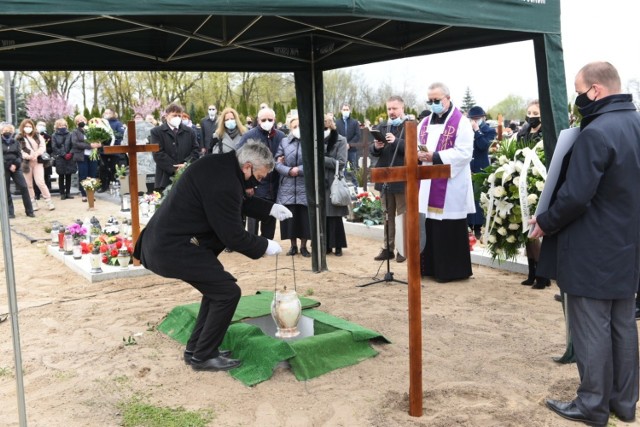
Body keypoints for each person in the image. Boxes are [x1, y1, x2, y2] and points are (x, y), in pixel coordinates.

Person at [531, 61, 640, 427]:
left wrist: (544, 221)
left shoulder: (596, 132)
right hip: (628, 245)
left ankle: (592, 404)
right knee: (622, 325)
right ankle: (624, 404)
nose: (578, 99)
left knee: (592, 327)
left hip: (592, 248)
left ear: (595, 90)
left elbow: (576, 197)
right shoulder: (635, 124)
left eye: (579, 91)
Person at [133, 141, 292, 371]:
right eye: (259, 177)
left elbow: (239, 201)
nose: (259, 183)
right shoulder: (224, 180)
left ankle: (196, 349)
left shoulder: (222, 167)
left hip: (171, 242)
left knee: (216, 289)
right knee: (227, 292)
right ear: (247, 167)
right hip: (173, 247)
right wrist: (264, 245)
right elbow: (232, 236)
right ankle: (204, 356)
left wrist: (269, 209)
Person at [417, 82, 474, 283]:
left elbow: (465, 152)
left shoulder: (461, 122)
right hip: (426, 184)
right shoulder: (423, 123)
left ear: (447, 98)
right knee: (430, 225)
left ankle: (451, 270)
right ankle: (430, 268)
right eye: (430, 100)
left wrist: (435, 156)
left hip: (450, 184)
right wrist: (419, 155)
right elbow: (415, 145)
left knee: (447, 227)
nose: (433, 104)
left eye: (437, 100)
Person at [516, 99, 550, 289]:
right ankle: (532, 272)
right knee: (528, 231)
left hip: (540, 182)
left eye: (536, 114)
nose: (532, 117)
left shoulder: (547, 134)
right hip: (523, 184)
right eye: (529, 113)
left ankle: (543, 275)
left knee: (540, 230)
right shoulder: (523, 133)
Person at [237, 107, 285, 239]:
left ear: (274, 120)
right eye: (264, 119)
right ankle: (253, 241)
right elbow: (239, 159)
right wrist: (247, 185)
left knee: (270, 213)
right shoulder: (249, 136)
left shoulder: (281, 137)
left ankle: (267, 242)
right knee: (254, 214)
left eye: (270, 119)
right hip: (255, 183)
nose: (267, 122)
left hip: (273, 183)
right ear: (258, 120)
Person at [369, 95, 407, 263]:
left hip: (402, 179)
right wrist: (376, 146)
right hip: (385, 179)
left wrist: (397, 141)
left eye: (394, 108)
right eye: (389, 109)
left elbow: (414, 149)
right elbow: (373, 151)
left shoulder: (410, 126)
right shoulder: (382, 126)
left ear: (402, 108)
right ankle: (388, 248)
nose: (391, 112)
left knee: (402, 216)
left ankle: (403, 248)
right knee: (387, 215)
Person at [274, 117, 311, 257]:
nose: (297, 129)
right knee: (290, 220)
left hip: (304, 186)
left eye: (299, 126)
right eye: (294, 126)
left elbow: (312, 162)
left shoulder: (309, 142)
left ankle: (304, 247)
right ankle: (293, 246)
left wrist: (298, 170)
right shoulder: (284, 142)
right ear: (290, 128)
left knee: (304, 218)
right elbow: (277, 162)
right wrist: (288, 171)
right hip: (287, 186)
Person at [151, 103, 200, 193]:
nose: (177, 118)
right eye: (174, 115)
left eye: (179, 115)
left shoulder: (190, 132)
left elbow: (196, 150)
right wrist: (175, 168)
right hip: (165, 178)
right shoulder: (156, 132)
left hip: (186, 176)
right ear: (166, 116)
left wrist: (186, 164)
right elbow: (158, 153)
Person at [466, 106, 496, 239]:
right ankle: (468, 224)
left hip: (481, 168)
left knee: (478, 197)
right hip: (468, 168)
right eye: (472, 119)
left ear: (483, 118)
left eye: (476, 119)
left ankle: (478, 226)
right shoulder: (466, 130)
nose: (474, 121)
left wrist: (477, 131)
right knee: (468, 196)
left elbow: (483, 146)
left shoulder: (489, 130)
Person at [323, 114, 348, 256]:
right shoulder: (316, 140)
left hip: (334, 180)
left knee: (335, 216)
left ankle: (338, 245)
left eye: (326, 127)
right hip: (321, 182)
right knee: (324, 216)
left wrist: (323, 159)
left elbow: (341, 162)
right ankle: (326, 245)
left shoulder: (341, 140)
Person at [16, 119, 55, 211]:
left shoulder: (37, 136)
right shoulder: (19, 138)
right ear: (22, 127)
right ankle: (33, 202)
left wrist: (36, 154)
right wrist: (28, 156)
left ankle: (49, 201)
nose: (28, 128)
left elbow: (42, 147)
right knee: (29, 184)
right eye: (26, 126)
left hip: (38, 162)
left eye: (30, 126)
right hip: (26, 163)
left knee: (40, 182)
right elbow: (18, 150)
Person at [2, 124, 35, 218]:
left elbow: (19, 155)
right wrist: (9, 165)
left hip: (16, 167)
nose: (7, 132)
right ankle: (10, 212)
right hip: (4, 168)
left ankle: (29, 211)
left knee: (24, 187)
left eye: (9, 130)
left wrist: (15, 165)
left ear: (12, 132)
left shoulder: (15, 142)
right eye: (5, 130)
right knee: (6, 190)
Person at [123, 113, 156, 193]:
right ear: (133, 119)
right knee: (138, 173)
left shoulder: (149, 127)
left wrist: (146, 141)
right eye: (136, 117)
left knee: (148, 173)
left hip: (148, 157)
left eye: (140, 117)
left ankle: (149, 192)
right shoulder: (129, 129)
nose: (138, 119)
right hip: (136, 156)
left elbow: (154, 141)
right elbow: (125, 142)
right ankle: (140, 192)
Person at [71, 114, 101, 202]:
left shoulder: (92, 129)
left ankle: (91, 194)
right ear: (76, 123)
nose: (81, 122)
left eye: (82, 120)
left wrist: (99, 143)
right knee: (83, 175)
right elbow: (75, 143)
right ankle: (84, 194)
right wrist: (90, 145)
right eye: (78, 121)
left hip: (93, 156)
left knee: (93, 174)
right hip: (82, 156)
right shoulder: (75, 132)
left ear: (86, 120)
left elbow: (99, 139)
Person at [99, 108, 126, 192]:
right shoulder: (100, 123)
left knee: (115, 168)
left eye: (108, 113)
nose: (106, 114)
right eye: (105, 113)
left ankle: (116, 186)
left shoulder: (117, 123)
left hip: (115, 150)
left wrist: (111, 140)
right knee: (103, 169)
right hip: (103, 150)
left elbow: (121, 135)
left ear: (113, 114)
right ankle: (104, 186)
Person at [335, 102, 360, 187]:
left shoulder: (355, 122)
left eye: (347, 109)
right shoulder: (337, 122)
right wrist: (343, 145)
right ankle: (343, 187)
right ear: (341, 110)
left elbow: (357, 135)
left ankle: (356, 187)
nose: (346, 111)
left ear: (350, 110)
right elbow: (335, 135)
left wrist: (349, 144)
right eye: (344, 109)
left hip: (352, 150)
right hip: (341, 150)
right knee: (342, 169)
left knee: (354, 168)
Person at [51, 118, 77, 200]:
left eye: (64, 125)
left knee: (69, 175)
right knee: (61, 176)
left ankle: (68, 193)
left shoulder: (70, 134)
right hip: (60, 158)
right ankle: (62, 193)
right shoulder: (54, 135)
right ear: (57, 126)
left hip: (70, 157)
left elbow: (73, 144)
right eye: (60, 125)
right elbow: (54, 147)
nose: (62, 127)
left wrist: (70, 153)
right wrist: (63, 154)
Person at [34, 121, 53, 199]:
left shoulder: (48, 137)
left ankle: (46, 194)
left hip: (46, 159)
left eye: (43, 125)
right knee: (36, 177)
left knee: (46, 176)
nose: (41, 127)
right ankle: (37, 194)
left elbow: (51, 148)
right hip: (36, 158)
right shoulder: (33, 136)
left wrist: (44, 150)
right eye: (40, 125)